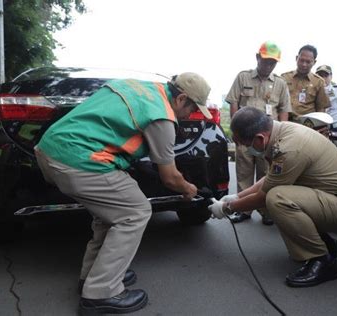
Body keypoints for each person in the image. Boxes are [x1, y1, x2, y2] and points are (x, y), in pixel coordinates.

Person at [35, 72, 212, 314]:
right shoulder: (162, 116)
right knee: (135, 212)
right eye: (191, 109)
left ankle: (93, 276)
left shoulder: (137, 88)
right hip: (79, 159)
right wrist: (188, 189)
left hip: (51, 150)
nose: (189, 116)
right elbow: (169, 177)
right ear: (181, 99)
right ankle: (100, 294)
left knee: (111, 213)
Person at [208, 107, 337, 287]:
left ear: (260, 138)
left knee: (277, 198)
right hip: (333, 199)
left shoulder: (289, 147)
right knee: (277, 193)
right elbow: (271, 179)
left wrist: (227, 208)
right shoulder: (282, 132)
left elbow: (265, 195)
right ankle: (324, 242)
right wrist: (237, 196)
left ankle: (321, 260)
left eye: (245, 145)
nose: (244, 149)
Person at [225, 41, 292, 225]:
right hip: (246, 136)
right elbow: (233, 103)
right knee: (244, 171)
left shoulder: (280, 83)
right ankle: (243, 209)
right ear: (257, 57)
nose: (268, 65)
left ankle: (266, 210)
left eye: (273, 62)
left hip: (268, 138)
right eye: (265, 61)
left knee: (267, 174)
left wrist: (282, 136)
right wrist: (235, 129)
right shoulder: (243, 77)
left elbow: (284, 110)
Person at [281, 45, 330, 120]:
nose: (304, 64)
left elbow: (321, 109)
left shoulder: (319, 82)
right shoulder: (284, 78)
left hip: (307, 125)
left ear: (314, 62)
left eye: (308, 62)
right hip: (286, 122)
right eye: (301, 60)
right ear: (296, 58)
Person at [315, 65, 337, 132]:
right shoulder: (312, 91)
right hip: (320, 126)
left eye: (326, 75)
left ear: (331, 76)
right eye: (320, 75)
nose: (323, 78)